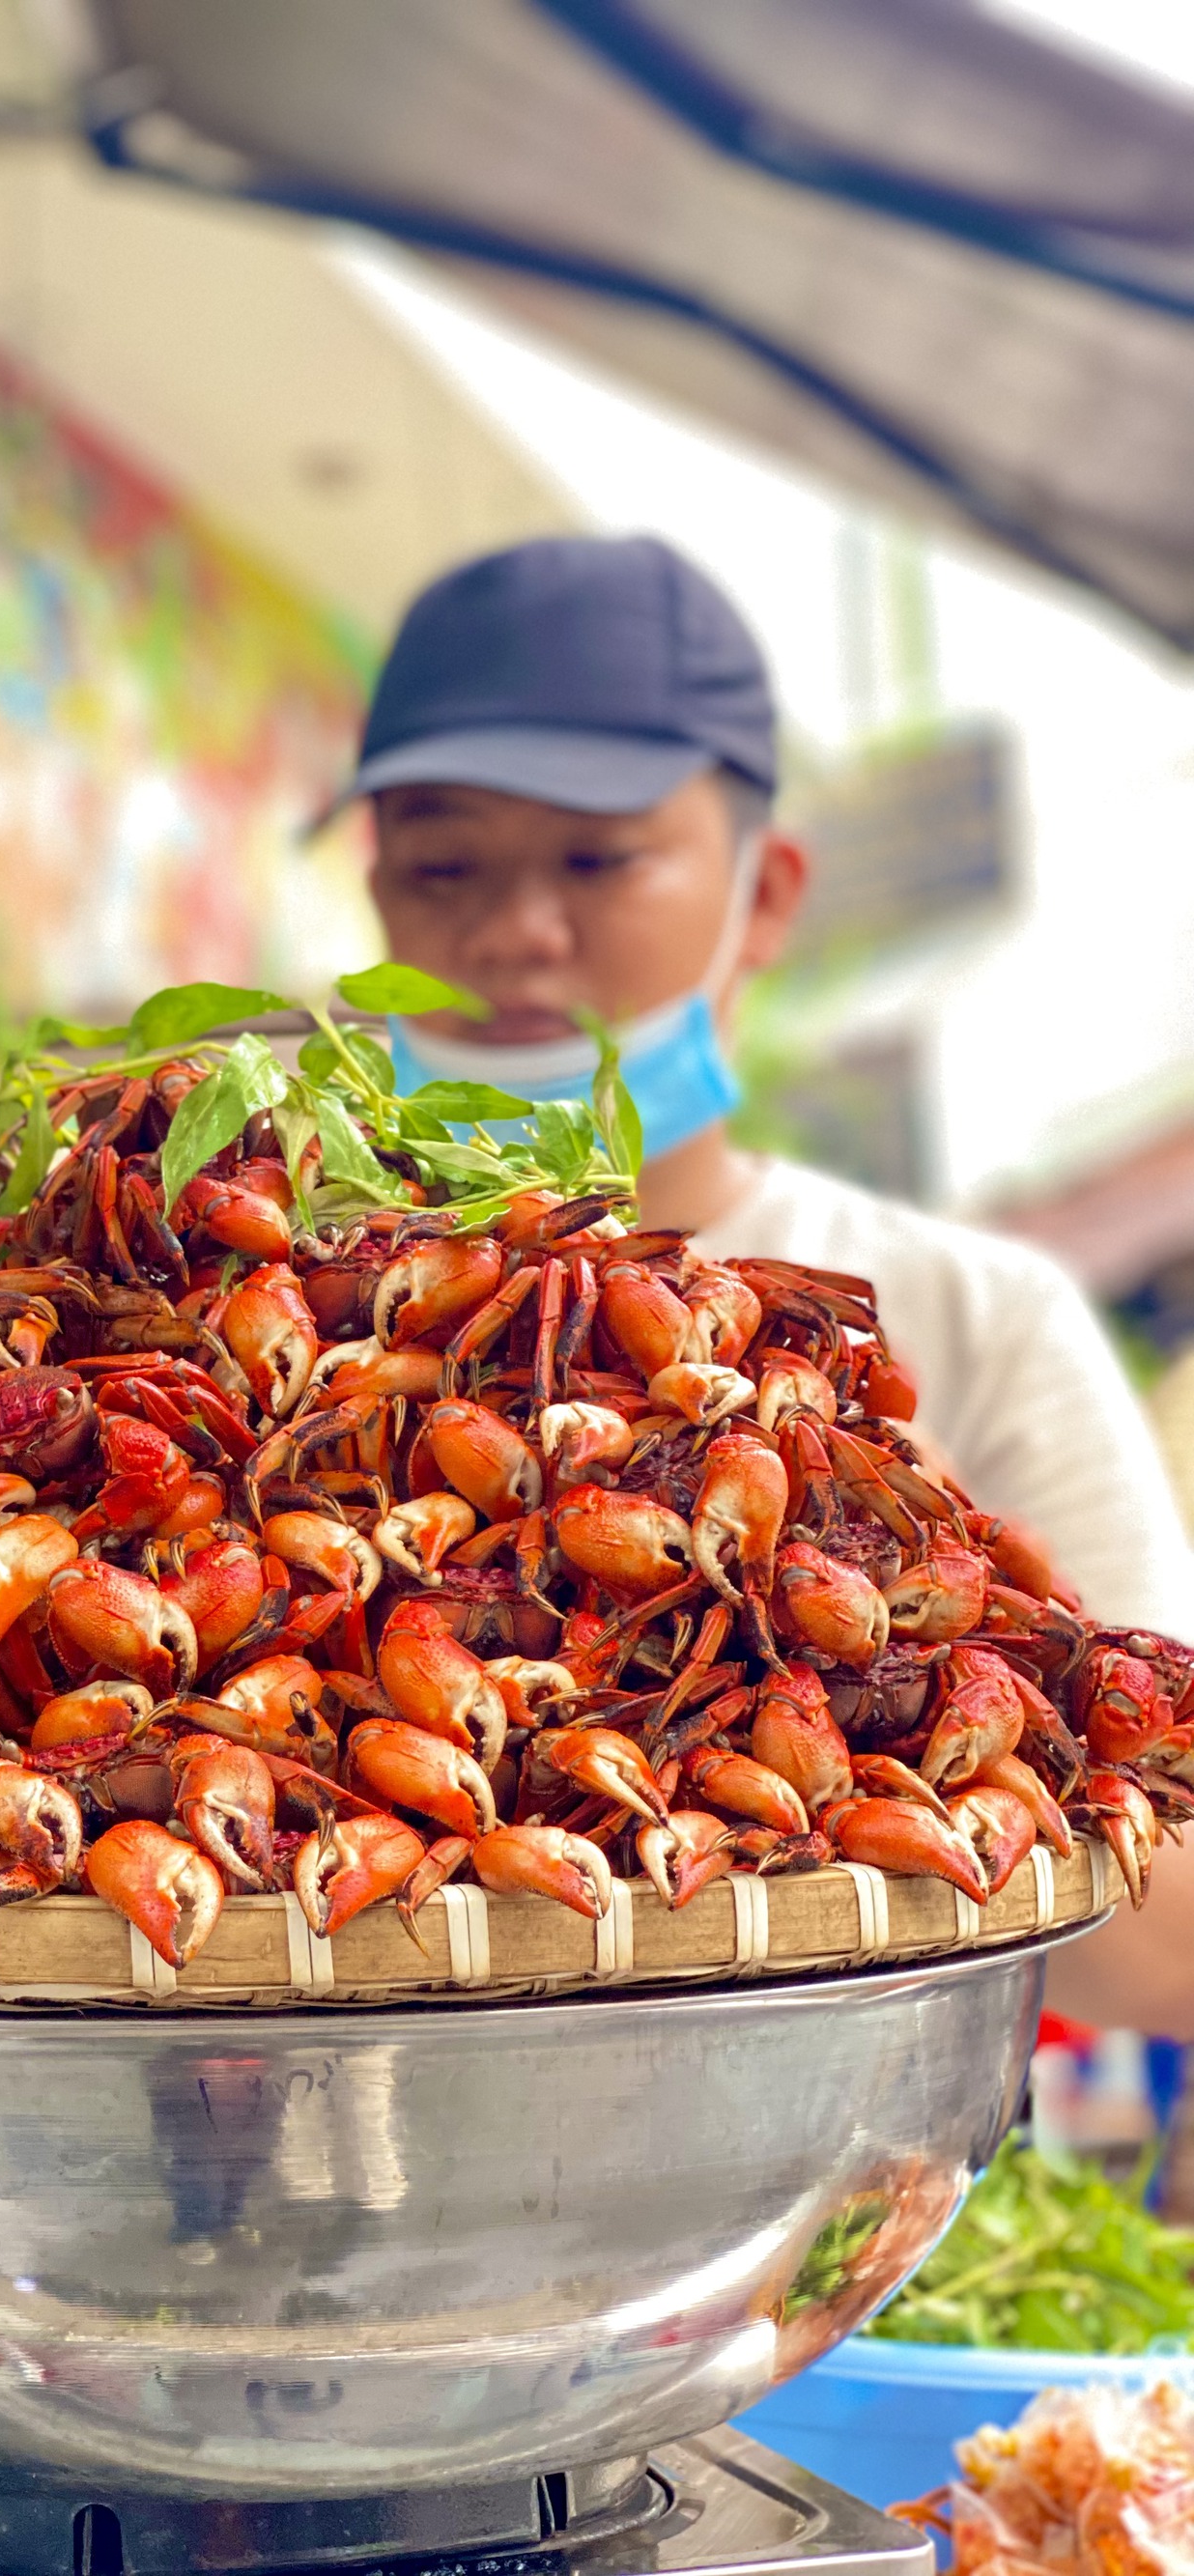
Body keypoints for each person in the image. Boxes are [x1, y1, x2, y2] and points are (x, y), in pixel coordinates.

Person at [331, 532, 1194, 2032]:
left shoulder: (977, 1319)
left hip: (824, 2212)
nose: (518, 933)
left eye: (598, 859)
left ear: (768, 895)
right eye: (445, 865)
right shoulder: (294, 1321)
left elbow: (1177, 1954)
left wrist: (911, 1555)